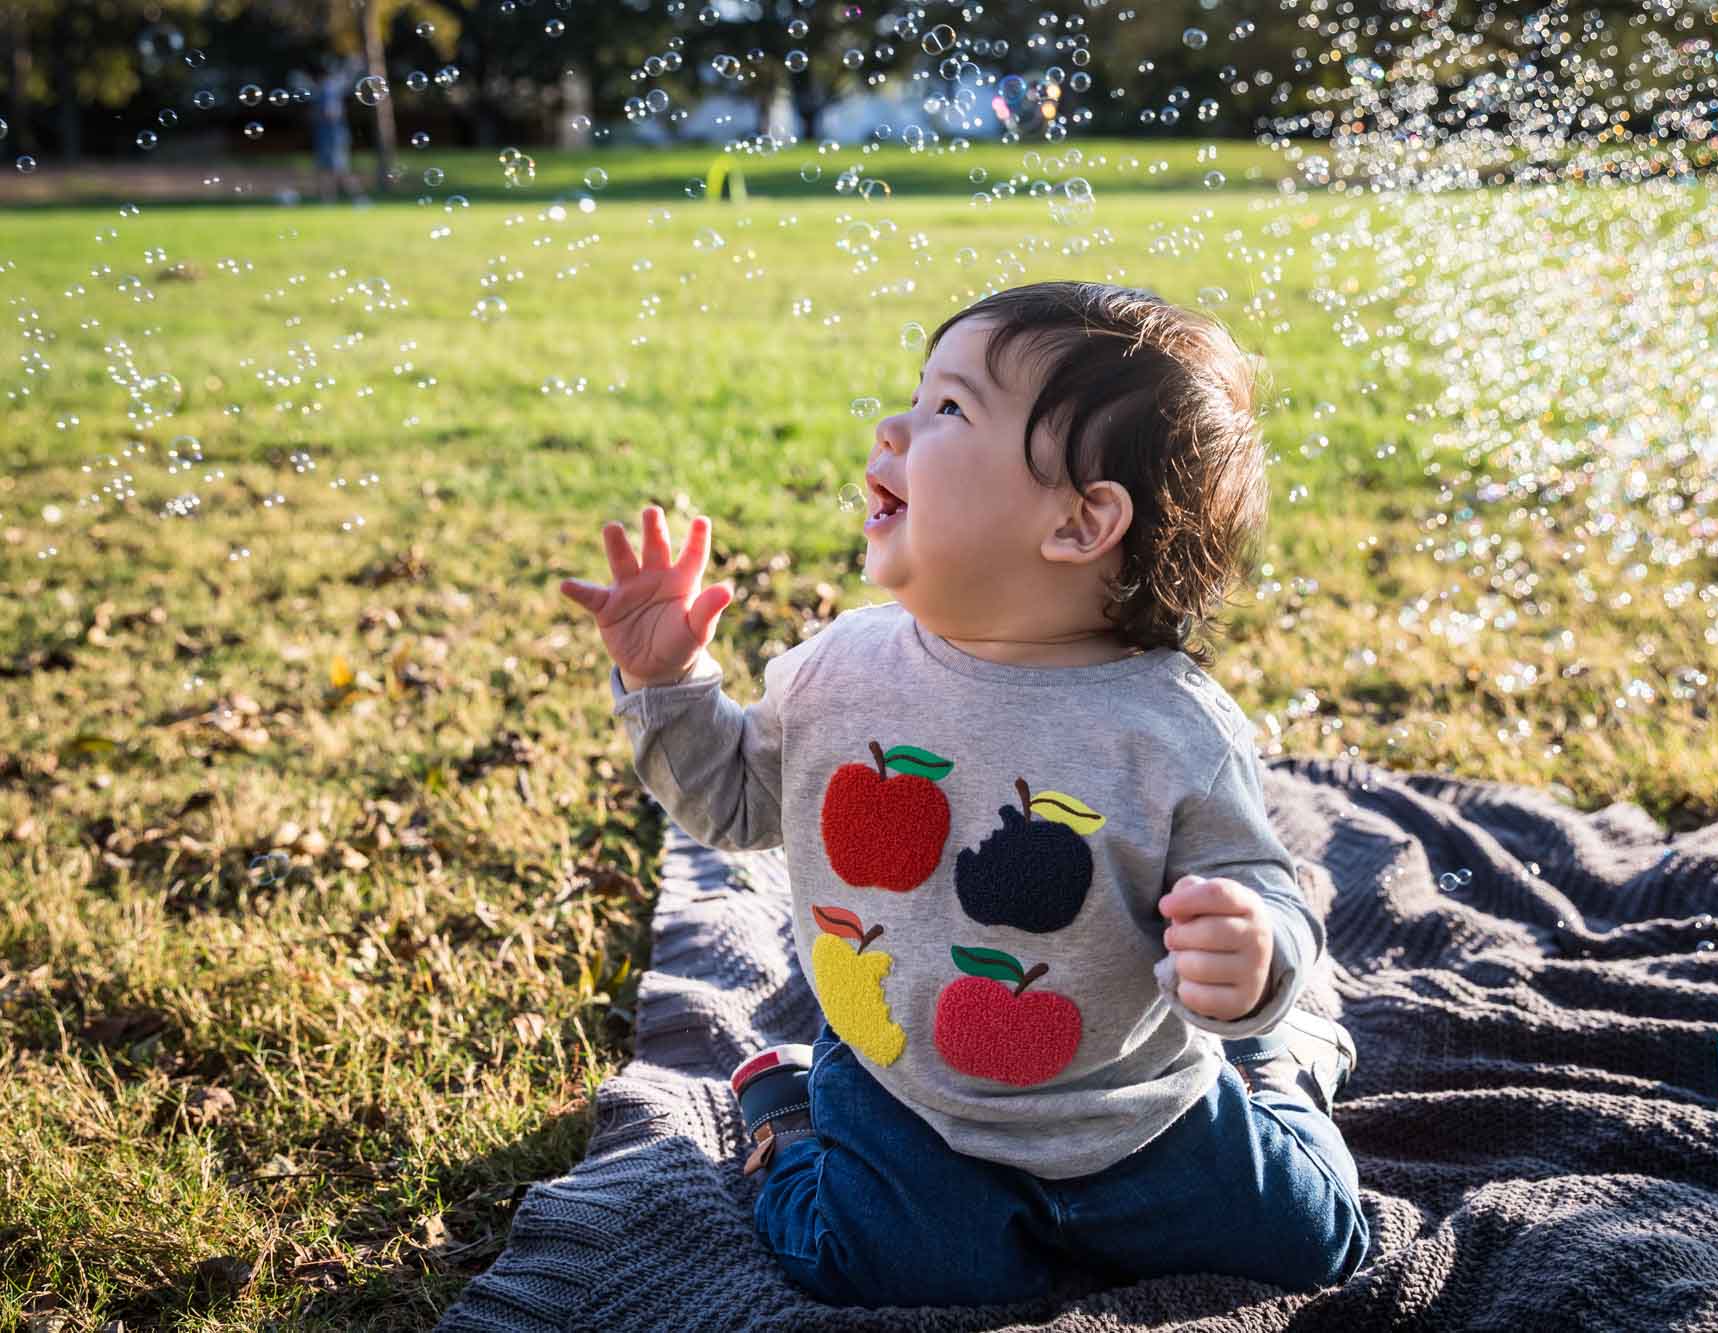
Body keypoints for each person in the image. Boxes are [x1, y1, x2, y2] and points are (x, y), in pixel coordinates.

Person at [559, 281, 1367, 1308]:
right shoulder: (839, 673)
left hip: (1132, 1110)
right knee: (866, 1265)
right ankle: (788, 1114)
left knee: (1316, 1239)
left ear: (1080, 522)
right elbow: (733, 805)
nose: (893, 427)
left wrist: (1255, 954)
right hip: (910, 1095)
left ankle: (1278, 1066)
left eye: (949, 409)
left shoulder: (1168, 729)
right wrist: (669, 685)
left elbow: (1257, 881)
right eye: (916, 395)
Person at [312, 58, 360, 202]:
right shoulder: (327, 88)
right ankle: (328, 200)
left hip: (334, 135)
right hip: (328, 134)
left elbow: (331, 113)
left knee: (339, 169)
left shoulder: (328, 88)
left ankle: (357, 198)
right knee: (328, 169)